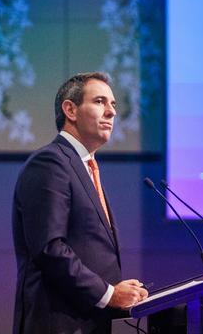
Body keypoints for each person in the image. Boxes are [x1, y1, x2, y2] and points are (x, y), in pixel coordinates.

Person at [12, 72, 148, 334]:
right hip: (57, 324)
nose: (111, 112)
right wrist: (109, 293)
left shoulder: (84, 167)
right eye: (100, 102)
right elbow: (50, 248)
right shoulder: (50, 163)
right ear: (70, 110)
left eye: (113, 104)